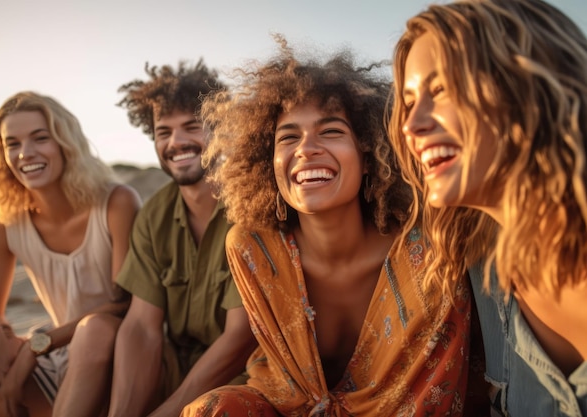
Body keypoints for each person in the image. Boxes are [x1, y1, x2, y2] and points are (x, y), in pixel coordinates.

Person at [181, 35, 486, 416]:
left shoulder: (426, 250)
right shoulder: (254, 249)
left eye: (331, 131)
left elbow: (437, 388)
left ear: (370, 152)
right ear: (266, 162)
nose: (307, 148)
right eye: (288, 137)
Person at [389, 0, 587, 416]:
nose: (410, 124)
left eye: (440, 90)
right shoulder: (479, 260)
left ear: (526, 83)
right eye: (409, 101)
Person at [0, 91, 141, 417]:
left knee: (95, 329)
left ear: (64, 143)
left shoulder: (116, 203)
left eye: (40, 138)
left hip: (120, 360)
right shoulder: (2, 221)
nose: (25, 153)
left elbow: (122, 303)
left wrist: (35, 347)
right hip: (58, 363)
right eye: (12, 144)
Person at [106, 60, 257, 417]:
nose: (177, 142)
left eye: (192, 126)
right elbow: (142, 326)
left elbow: (241, 337)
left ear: (220, 130)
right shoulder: (153, 216)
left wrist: (168, 412)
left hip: (247, 379)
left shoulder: (252, 207)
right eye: (163, 131)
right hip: (177, 369)